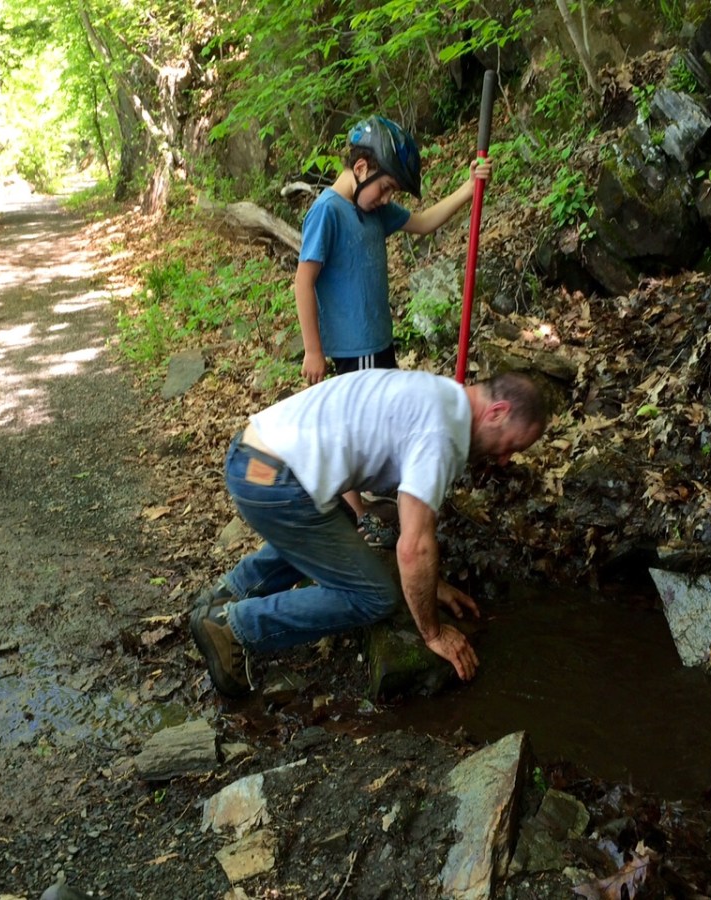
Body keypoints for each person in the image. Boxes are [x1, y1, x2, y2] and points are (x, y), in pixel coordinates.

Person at [189, 369, 547, 699]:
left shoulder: (441, 395)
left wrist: (431, 583)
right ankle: (236, 627)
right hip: (273, 485)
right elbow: (415, 549)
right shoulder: (443, 434)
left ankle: (227, 594)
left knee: (342, 519)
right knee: (373, 596)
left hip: (251, 456)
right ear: (497, 412)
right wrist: (433, 633)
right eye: (512, 446)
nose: (505, 460)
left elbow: (413, 516)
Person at [295, 115, 492, 387]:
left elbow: (423, 223)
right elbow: (303, 281)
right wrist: (313, 350)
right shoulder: (328, 212)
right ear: (361, 168)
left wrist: (468, 188)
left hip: (380, 341)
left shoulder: (374, 209)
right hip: (358, 350)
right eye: (386, 187)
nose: (387, 198)